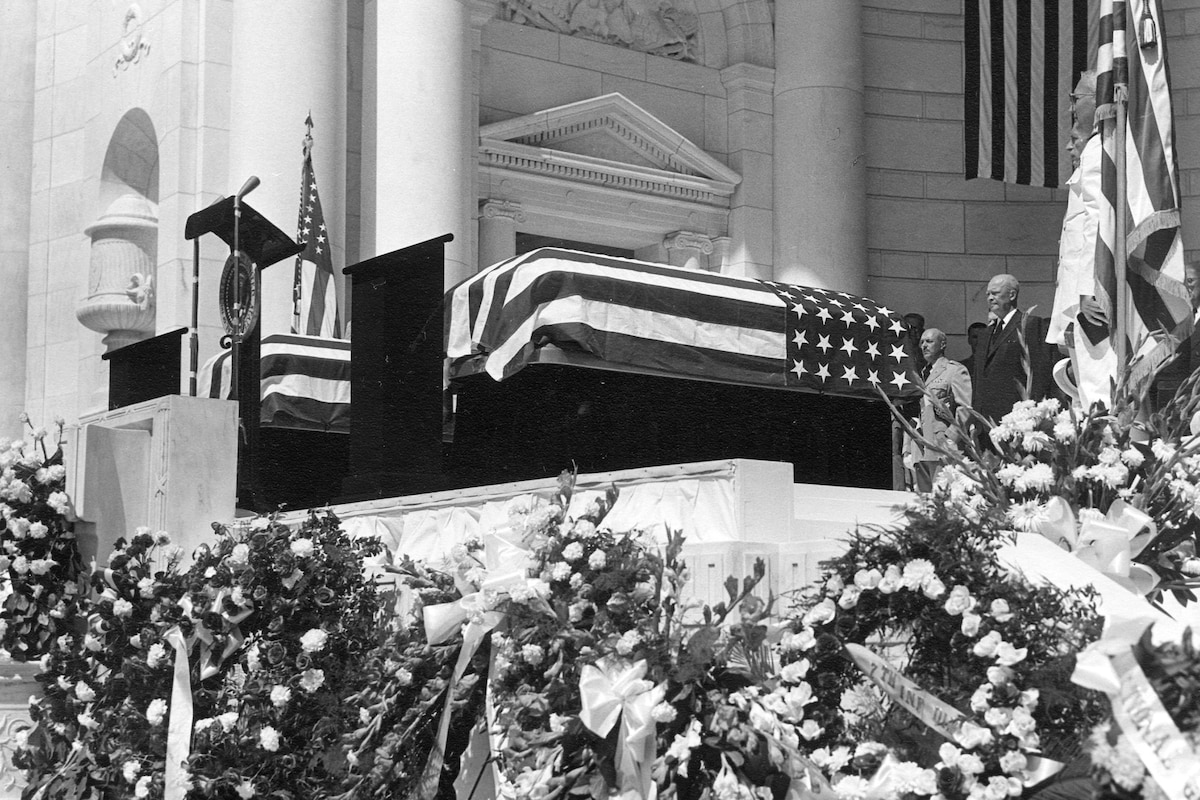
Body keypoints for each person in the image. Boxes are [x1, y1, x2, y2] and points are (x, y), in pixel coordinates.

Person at [1046, 70, 1115, 412]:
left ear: (1097, 99)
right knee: (1086, 397)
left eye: (1077, 98)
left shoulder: (1101, 149)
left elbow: (1097, 222)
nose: (1072, 107)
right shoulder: (1098, 149)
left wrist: (1089, 287)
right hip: (1082, 299)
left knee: (1098, 396)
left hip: (1092, 297)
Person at [972, 274, 1059, 431]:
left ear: (1012, 295)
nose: (990, 298)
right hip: (985, 423)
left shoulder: (1030, 325)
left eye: (995, 293)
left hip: (1015, 422)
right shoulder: (985, 334)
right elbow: (979, 380)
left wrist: (1033, 417)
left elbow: (1039, 374)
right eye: (988, 294)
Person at [906, 328, 971, 493]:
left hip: (941, 445)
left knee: (942, 498)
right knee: (922, 501)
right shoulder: (920, 373)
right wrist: (907, 447)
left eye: (929, 341)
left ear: (942, 344)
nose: (924, 346)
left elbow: (965, 407)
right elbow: (915, 413)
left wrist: (952, 437)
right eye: (922, 342)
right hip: (920, 446)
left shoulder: (954, 370)